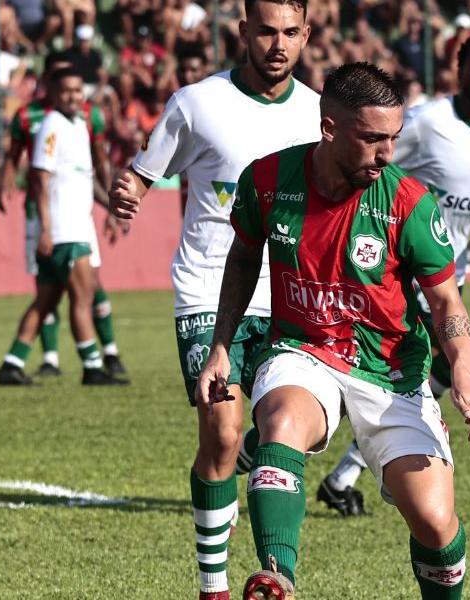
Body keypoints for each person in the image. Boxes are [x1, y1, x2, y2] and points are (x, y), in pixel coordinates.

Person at [198, 62, 470, 599]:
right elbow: (242, 260)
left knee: (434, 523)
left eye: (394, 138)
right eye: (372, 139)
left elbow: (446, 302)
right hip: (303, 350)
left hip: (391, 371)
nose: (387, 154)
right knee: (282, 422)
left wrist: (465, 374)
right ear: (329, 128)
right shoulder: (267, 181)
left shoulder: (408, 202)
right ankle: (277, 577)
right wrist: (221, 347)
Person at [109, 0, 318, 597]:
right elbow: (142, 175)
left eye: (290, 33)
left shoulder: (316, 114)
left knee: (285, 428)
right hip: (207, 288)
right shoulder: (197, 104)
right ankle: (215, 586)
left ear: (306, 35)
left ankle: (271, 556)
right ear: (243, 31)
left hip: (286, 294)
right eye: (266, 31)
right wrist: (127, 190)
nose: (277, 45)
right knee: (223, 434)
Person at [316, 31, 470, 516]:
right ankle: (294, 447)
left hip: (446, 272)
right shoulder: (426, 121)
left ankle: (338, 470)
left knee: (434, 367)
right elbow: (367, 163)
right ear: (459, 69)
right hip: (391, 267)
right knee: (397, 366)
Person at [0, 51, 126, 382]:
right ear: (53, 93)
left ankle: (11, 364)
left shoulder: (80, 124)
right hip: (63, 228)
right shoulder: (51, 125)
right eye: (65, 91)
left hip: (77, 224)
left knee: (47, 299)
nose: (72, 96)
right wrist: (45, 228)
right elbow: (40, 178)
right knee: (83, 295)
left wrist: (111, 208)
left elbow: (86, 178)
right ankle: (93, 367)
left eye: (77, 90)